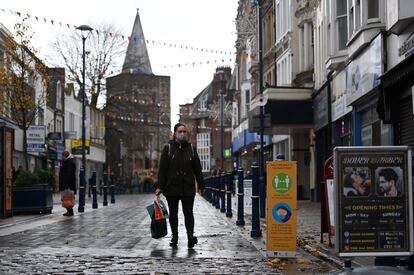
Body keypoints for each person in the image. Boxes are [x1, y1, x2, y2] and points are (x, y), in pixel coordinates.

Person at [155, 123, 204, 248]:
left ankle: (190, 236)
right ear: (175, 133)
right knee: (173, 213)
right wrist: (159, 187)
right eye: (180, 131)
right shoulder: (168, 148)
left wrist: (201, 185)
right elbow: (163, 169)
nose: (182, 134)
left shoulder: (191, 149)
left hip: (187, 186)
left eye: (184, 131)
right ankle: (174, 236)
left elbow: (197, 168)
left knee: (188, 212)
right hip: (172, 187)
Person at [59, 150, 77, 216]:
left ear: (65, 156)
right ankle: (69, 211)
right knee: (67, 198)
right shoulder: (68, 162)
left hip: (68, 184)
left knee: (68, 198)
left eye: (62, 156)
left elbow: (68, 174)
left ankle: (70, 211)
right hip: (67, 184)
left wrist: (66, 184)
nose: (61, 157)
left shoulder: (69, 162)